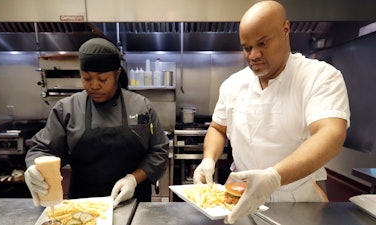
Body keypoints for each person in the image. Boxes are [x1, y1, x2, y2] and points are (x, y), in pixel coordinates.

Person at [193, 1, 350, 224]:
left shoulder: (319, 77)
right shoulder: (233, 84)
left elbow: (331, 135)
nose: (254, 55)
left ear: (285, 30)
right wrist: (208, 160)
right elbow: (218, 128)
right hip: (238, 196)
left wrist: (273, 177)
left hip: (297, 200)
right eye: (247, 48)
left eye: (262, 43)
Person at [24, 38, 169, 208]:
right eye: (87, 78)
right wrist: (35, 168)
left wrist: (133, 179)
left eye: (102, 79)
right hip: (83, 204)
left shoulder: (141, 106)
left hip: (134, 202)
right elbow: (43, 148)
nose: (94, 86)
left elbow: (159, 151)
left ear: (117, 74)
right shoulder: (67, 109)